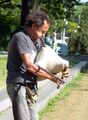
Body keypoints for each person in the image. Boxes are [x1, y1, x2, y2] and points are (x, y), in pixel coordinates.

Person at [6, 10, 69, 120]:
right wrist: (52, 77)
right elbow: (29, 65)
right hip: (18, 83)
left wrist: (64, 68)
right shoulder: (20, 38)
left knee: (34, 118)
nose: (43, 35)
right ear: (34, 26)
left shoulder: (39, 40)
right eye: (42, 32)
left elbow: (50, 58)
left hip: (31, 84)